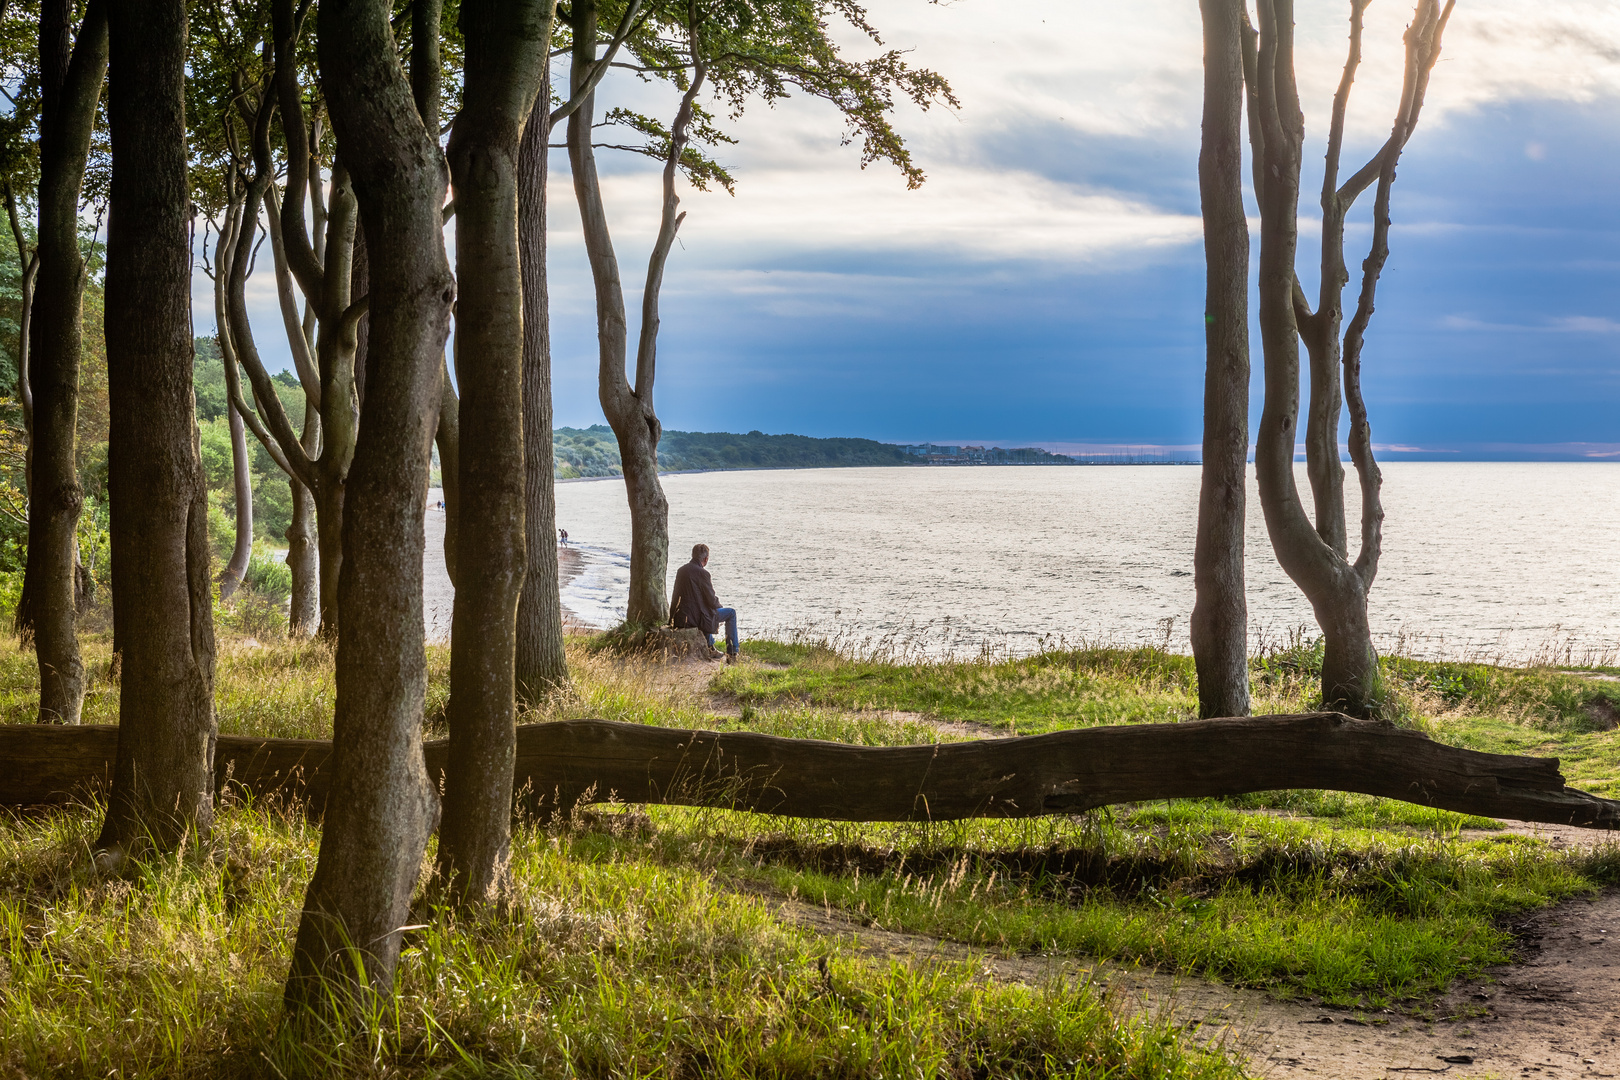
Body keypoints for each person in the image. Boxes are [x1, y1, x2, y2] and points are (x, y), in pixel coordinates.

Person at [669, 543, 738, 663]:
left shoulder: (681, 571)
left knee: (706, 611)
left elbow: (675, 596)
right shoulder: (703, 574)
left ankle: (711, 647)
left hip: (681, 617)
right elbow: (711, 600)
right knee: (730, 613)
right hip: (696, 619)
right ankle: (732, 653)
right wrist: (719, 607)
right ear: (706, 559)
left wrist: (671, 618)